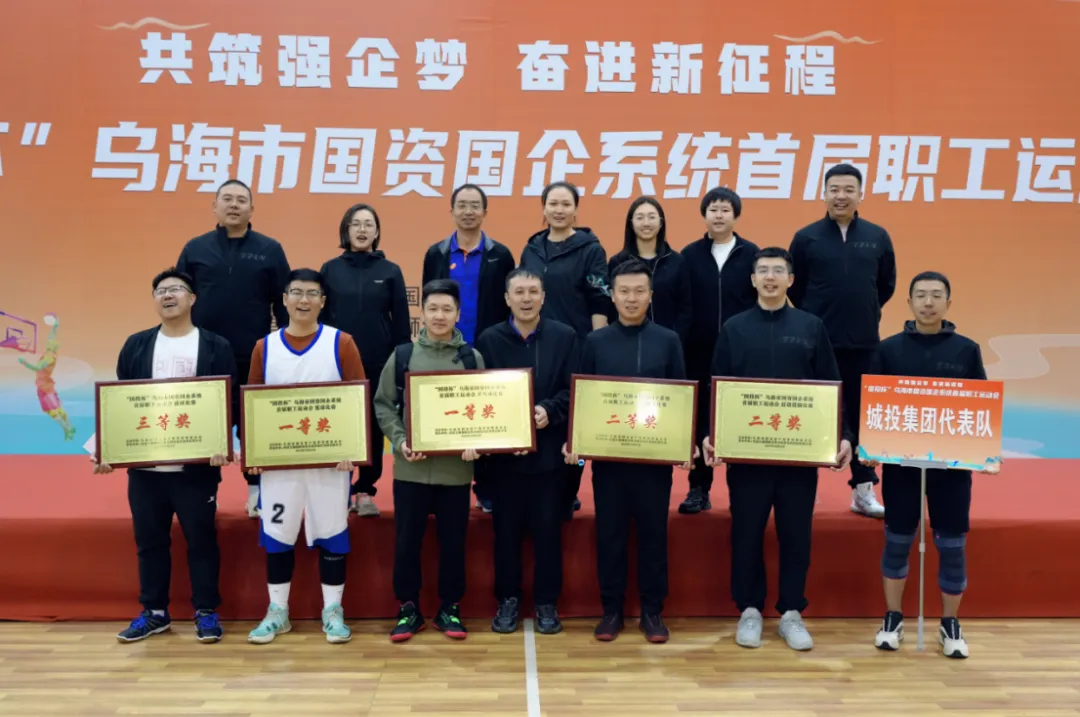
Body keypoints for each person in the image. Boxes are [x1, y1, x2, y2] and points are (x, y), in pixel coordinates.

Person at [703, 247, 854, 652]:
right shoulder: (734, 328)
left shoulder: (811, 326)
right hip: (748, 456)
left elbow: (831, 387)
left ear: (791, 280)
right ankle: (749, 610)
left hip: (797, 457)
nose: (770, 277)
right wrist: (710, 433)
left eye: (778, 271)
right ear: (753, 280)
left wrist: (842, 435)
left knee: (796, 534)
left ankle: (790, 612)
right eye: (763, 271)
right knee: (746, 532)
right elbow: (718, 386)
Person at [93, 268, 237, 643]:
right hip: (146, 469)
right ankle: (154, 612)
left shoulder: (215, 345)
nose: (168, 295)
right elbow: (121, 403)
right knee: (150, 543)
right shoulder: (137, 345)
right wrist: (108, 449)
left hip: (196, 470)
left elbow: (228, 402)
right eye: (160, 291)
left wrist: (224, 443)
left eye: (175, 289)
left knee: (201, 540)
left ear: (192, 298)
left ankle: (206, 611)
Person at [862, 271, 994, 659]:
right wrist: (870, 446)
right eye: (921, 295)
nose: (928, 302)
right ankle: (893, 618)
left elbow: (981, 404)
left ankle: (950, 624)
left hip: (951, 469)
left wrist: (984, 452)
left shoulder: (966, 350)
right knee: (898, 540)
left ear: (948, 303)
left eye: (936, 295)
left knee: (951, 545)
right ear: (909, 303)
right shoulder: (888, 349)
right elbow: (873, 403)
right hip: (901, 467)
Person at [565, 258, 691, 644]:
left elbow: (680, 397)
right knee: (611, 535)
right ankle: (612, 610)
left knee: (654, 536)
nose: (632, 298)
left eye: (639, 291)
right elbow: (583, 398)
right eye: (624, 291)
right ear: (612, 295)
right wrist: (577, 443)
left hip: (654, 462)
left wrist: (682, 443)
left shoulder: (668, 340)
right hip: (609, 461)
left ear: (651, 295)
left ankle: (652, 611)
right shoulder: (596, 342)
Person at [244, 269, 366, 645]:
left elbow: (357, 400)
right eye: (296, 292)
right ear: (284, 300)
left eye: (312, 294)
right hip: (279, 465)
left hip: (330, 463)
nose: (303, 300)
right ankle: (278, 611)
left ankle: (333, 610)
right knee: (278, 534)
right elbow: (252, 406)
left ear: (322, 302)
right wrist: (254, 455)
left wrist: (353, 450)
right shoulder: (265, 347)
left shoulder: (341, 343)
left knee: (332, 532)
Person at [373, 279, 485, 643]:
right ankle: (408, 608)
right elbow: (383, 404)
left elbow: (485, 409)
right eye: (433, 308)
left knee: (454, 543)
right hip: (411, 468)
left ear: (458, 314)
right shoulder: (403, 355)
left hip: (455, 472)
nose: (439, 316)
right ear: (421, 313)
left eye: (447, 309)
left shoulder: (471, 359)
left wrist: (476, 442)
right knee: (407, 542)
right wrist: (401, 440)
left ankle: (450, 606)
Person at [176, 178, 292, 519]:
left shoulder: (270, 249)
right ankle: (204, 493)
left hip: (252, 352)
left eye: (241, 200)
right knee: (206, 423)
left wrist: (285, 346)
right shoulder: (195, 248)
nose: (234, 205)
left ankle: (256, 490)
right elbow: (180, 296)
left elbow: (283, 302)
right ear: (214, 207)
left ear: (252, 209)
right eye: (227, 199)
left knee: (253, 422)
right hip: (206, 353)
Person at [475, 269, 579, 636]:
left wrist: (549, 410)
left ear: (543, 297)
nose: (526, 298)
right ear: (507, 298)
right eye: (519, 292)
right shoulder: (489, 340)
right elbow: (479, 393)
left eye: (533, 291)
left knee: (549, 534)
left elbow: (574, 389)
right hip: (504, 460)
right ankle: (508, 600)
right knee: (506, 535)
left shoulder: (565, 336)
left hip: (549, 458)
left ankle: (547, 603)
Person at [789, 164, 896, 518]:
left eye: (849, 189)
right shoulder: (806, 238)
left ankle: (863, 491)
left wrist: (861, 311)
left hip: (863, 342)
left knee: (863, 416)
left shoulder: (877, 236)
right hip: (817, 344)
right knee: (811, 413)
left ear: (860, 195)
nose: (841, 196)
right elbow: (796, 288)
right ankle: (801, 491)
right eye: (834, 189)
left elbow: (885, 286)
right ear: (823, 194)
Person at [422, 184, 516, 513]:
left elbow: (507, 303)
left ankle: (486, 488)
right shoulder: (436, 253)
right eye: (461, 205)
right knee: (444, 416)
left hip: (486, 347)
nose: (468, 211)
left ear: (485, 212)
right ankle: (440, 488)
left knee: (485, 419)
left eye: (475, 205)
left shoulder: (500, 254)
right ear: (451, 211)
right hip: (444, 348)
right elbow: (429, 300)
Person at [519, 181, 611, 519]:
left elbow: (599, 299)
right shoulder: (532, 248)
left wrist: (598, 345)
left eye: (566, 204)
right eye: (553, 203)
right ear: (543, 208)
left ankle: (571, 488)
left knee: (576, 423)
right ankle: (537, 486)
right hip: (536, 345)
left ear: (576, 209)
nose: (559, 210)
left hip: (577, 346)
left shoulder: (590, 249)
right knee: (542, 414)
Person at [320, 203, 412, 518]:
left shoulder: (390, 271)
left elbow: (401, 324)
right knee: (338, 422)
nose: (362, 230)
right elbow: (321, 319)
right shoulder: (330, 269)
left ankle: (365, 490)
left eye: (368, 224)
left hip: (378, 361)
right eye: (355, 224)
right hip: (336, 360)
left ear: (377, 231)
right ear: (345, 230)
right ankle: (338, 487)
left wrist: (401, 363)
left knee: (373, 425)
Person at [678, 187, 760, 515]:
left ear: (735, 215)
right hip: (698, 350)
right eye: (713, 209)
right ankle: (698, 487)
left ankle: (745, 489)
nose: (719, 215)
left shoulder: (752, 254)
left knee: (741, 415)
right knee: (700, 418)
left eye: (726, 210)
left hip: (740, 350)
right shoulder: (689, 255)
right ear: (704, 214)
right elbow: (684, 303)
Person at [606, 196, 692, 341]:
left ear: (661, 223)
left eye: (651, 217)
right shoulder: (618, 262)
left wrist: (674, 339)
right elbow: (611, 308)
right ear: (631, 223)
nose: (646, 223)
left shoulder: (677, 262)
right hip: (627, 342)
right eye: (640, 218)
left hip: (667, 342)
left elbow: (685, 309)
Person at [18, 313, 76, 440]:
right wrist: (55, 326)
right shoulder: (50, 353)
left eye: (52, 343)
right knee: (55, 409)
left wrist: (24, 363)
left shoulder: (49, 357)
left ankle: (67, 429)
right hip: (44, 386)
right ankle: (69, 428)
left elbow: (37, 368)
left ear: (54, 347)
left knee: (54, 410)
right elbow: (51, 336)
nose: (49, 342)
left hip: (45, 387)